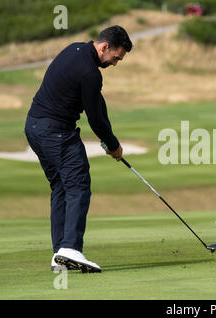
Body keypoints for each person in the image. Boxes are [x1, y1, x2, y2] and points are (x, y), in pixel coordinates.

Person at [24, 25, 133, 273]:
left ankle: (60, 255)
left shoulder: (74, 50)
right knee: (78, 185)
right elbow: (95, 118)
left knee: (61, 187)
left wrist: (110, 140)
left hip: (33, 127)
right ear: (105, 47)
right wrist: (113, 145)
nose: (116, 63)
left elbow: (97, 102)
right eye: (116, 57)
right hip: (56, 132)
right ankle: (71, 248)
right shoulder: (90, 73)